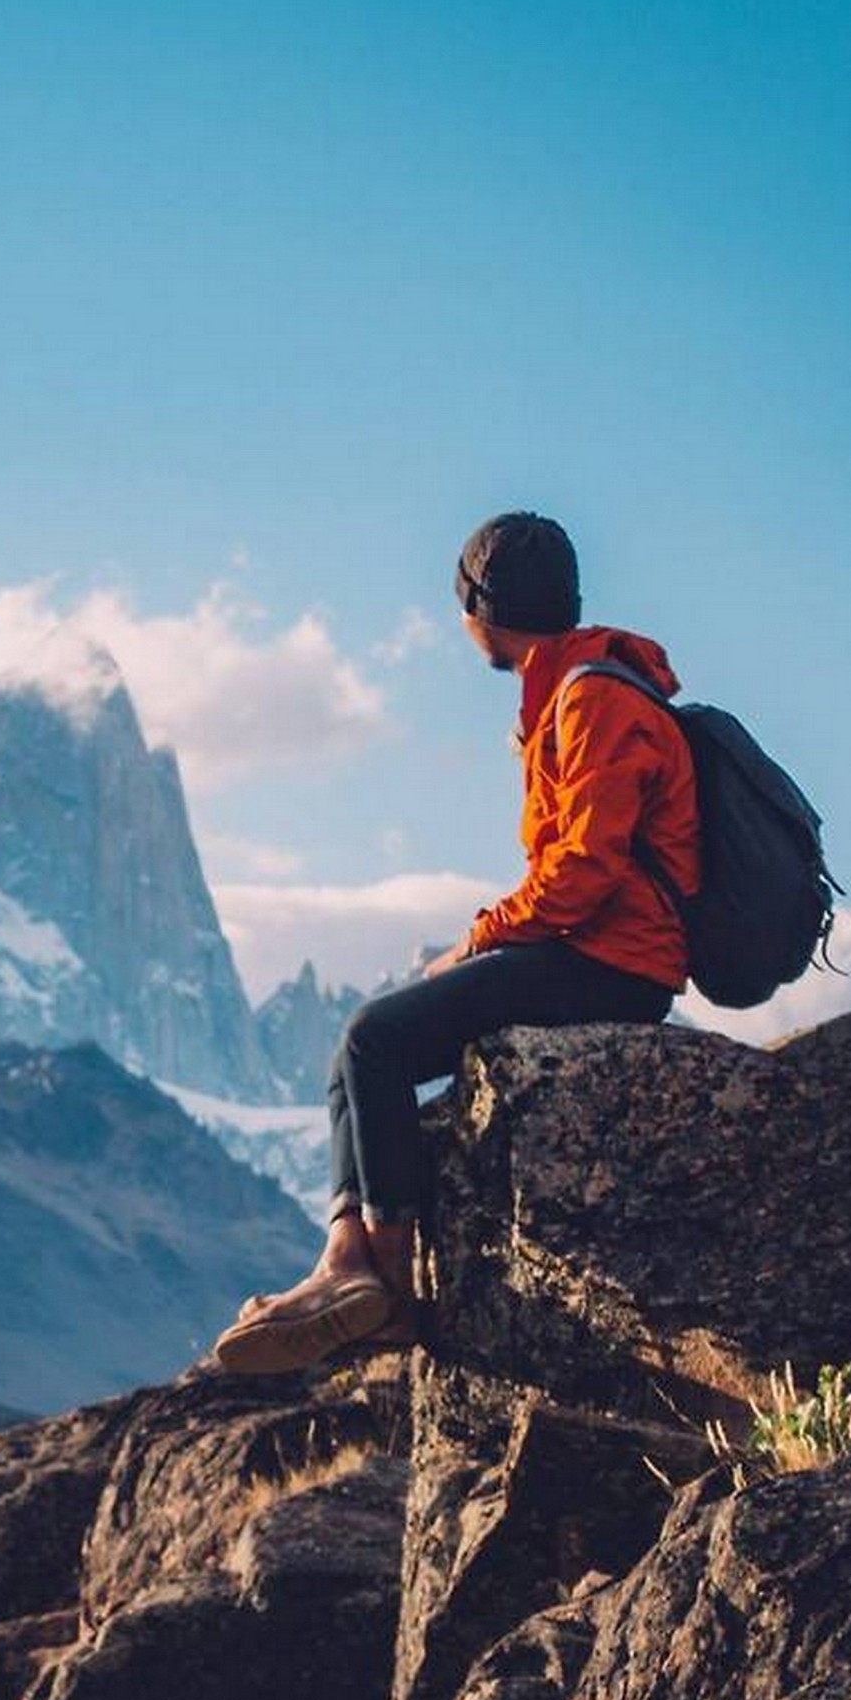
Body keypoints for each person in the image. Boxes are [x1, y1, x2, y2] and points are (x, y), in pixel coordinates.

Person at [213, 511, 701, 1375]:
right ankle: (345, 1261)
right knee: (352, 1055)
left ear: (481, 610)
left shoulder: (593, 700)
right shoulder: (571, 691)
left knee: (377, 1038)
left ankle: (387, 1297)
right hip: (595, 951)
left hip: (614, 965)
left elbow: (585, 871)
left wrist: (482, 937)